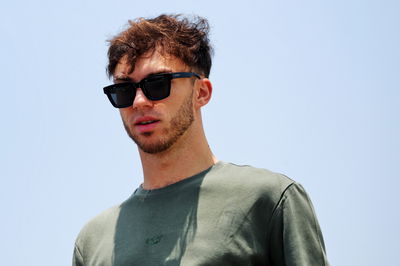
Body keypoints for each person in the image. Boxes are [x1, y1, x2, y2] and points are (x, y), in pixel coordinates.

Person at [73, 14, 329, 266]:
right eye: (124, 90)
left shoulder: (270, 200)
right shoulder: (93, 241)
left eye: (158, 84)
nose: (139, 102)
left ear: (201, 92)